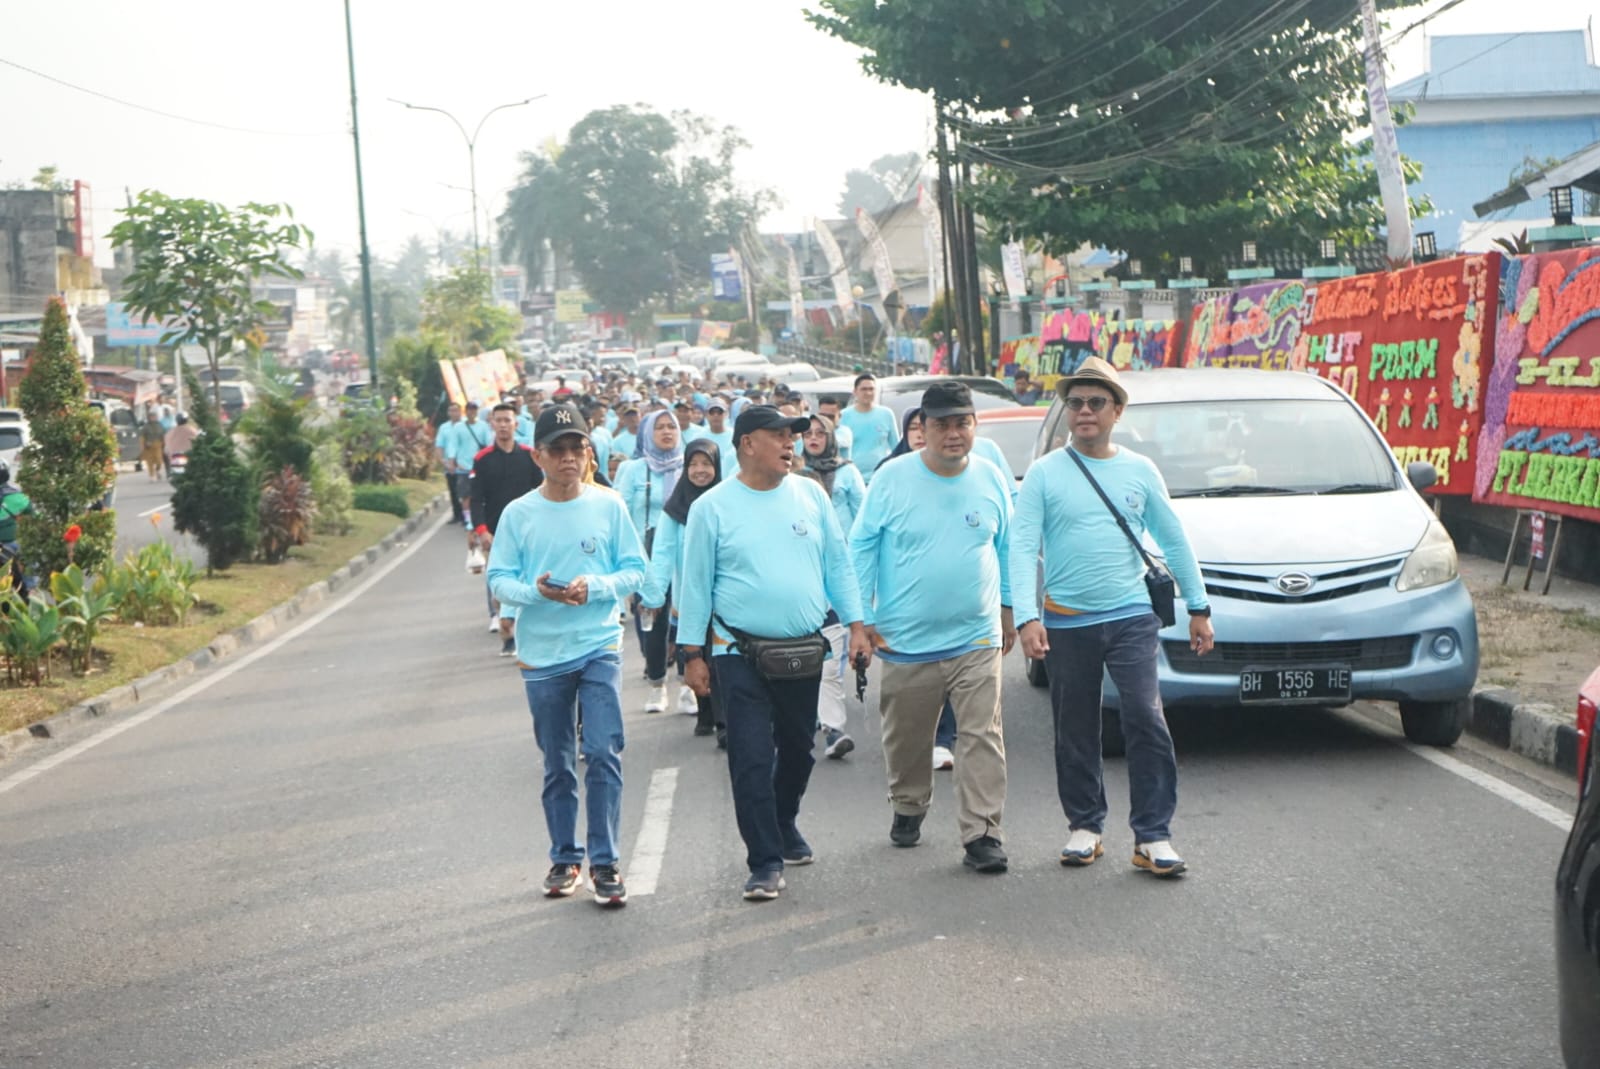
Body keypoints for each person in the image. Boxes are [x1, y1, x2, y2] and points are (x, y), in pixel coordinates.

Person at [1011, 357, 1213, 878]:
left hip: (1130, 615)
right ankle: (1085, 826)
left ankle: (1153, 835)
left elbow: (1172, 539)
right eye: (1075, 402)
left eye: (1095, 402)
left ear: (1116, 411)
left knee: (1145, 716)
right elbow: (1021, 546)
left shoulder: (1140, 471)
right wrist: (1027, 618)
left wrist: (1199, 606)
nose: (1084, 411)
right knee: (1074, 725)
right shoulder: (1045, 473)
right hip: (1066, 619)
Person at [676, 405, 871, 902]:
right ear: (746, 444)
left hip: (804, 650)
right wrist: (691, 653)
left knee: (798, 751)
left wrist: (857, 626)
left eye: (794, 435)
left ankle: (783, 822)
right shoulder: (712, 508)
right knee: (750, 757)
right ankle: (763, 860)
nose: (791, 443)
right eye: (779, 435)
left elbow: (838, 564)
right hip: (735, 652)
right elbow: (695, 583)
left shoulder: (810, 494)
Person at [486, 401, 646, 907]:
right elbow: (498, 581)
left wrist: (595, 587)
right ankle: (564, 856)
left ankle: (606, 863)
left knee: (602, 750)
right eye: (558, 450)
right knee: (557, 762)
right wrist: (538, 593)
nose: (568, 458)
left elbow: (635, 570)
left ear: (588, 452)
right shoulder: (519, 514)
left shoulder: (608, 504)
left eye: (577, 448)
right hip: (543, 654)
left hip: (598, 644)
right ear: (539, 457)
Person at [851, 381, 1015, 873]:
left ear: (974, 425)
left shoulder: (990, 476)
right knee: (908, 742)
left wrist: (1008, 609)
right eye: (941, 424)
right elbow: (861, 547)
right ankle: (908, 803)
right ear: (922, 429)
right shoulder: (891, 479)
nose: (952, 434)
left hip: (977, 636)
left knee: (982, 734)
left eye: (961, 423)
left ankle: (982, 834)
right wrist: (863, 621)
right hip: (906, 641)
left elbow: (1005, 545)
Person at [640, 438, 724, 737]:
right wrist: (652, 595)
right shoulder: (674, 511)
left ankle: (724, 721)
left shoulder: (727, 502)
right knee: (696, 653)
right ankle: (706, 712)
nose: (700, 470)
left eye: (707, 464)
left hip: (726, 597)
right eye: (694, 464)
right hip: (689, 597)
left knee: (723, 657)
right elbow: (662, 554)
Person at [801, 413, 868, 760]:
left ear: (831, 436)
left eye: (819, 432)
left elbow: (864, 520)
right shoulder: (793, 475)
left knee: (830, 661)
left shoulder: (847, 472)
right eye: (807, 433)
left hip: (838, 576)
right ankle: (808, 715)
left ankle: (834, 729)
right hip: (800, 579)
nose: (813, 438)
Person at [613, 410, 683, 713]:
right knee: (653, 622)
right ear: (646, 434)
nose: (667, 432)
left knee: (686, 621)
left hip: (683, 557)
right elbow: (620, 517)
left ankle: (687, 685)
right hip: (647, 557)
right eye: (660, 428)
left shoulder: (689, 465)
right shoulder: (633, 470)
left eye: (672, 427)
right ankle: (657, 683)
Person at [471, 402, 544, 653]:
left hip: (529, 531)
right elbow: (476, 498)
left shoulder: (528, 456)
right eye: (498, 420)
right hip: (496, 532)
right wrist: (481, 530)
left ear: (517, 424)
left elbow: (541, 493)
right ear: (492, 424)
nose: (503, 425)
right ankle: (504, 625)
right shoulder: (482, 460)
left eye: (507, 420)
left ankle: (526, 628)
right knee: (501, 580)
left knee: (528, 578)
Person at [839, 373, 899, 480]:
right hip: (854, 478)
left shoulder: (886, 414)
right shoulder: (844, 416)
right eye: (864, 389)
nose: (868, 393)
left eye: (871, 389)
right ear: (855, 391)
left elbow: (896, 448)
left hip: (881, 477)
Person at [0, 462, 32, 593]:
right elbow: (34, 516)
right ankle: (30, 589)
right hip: (15, 543)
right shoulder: (18, 496)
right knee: (29, 564)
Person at [435, 402, 467, 525]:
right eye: (451, 411)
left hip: (464, 466)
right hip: (450, 465)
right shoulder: (444, 428)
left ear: (461, 412)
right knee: (453, 492)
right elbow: (439, 446)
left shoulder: (466, 425)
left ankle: (466, 517)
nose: (454, 413)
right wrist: (443, 461)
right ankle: (457, 515)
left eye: (456, 410)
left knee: (465, 493)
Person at [816, 396, 854, 461]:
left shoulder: (844, 432)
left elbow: (828, 443)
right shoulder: (812, 431)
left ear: (839, 416)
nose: (826, 419)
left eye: (830, 417)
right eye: (823, 416)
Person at [138, 412, 166, 482]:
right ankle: (152, 476)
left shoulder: (160, 425)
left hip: (158, 445)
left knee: (159, 461)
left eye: (154, 416)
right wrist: (143, 445)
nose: (153, 418)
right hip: (149, 447)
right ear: (149, 418)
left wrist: (164, 444)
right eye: (151, 417)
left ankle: (157, 470)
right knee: (150, 462)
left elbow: (163, 435)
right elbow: (142, 437)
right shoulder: (146, 427)